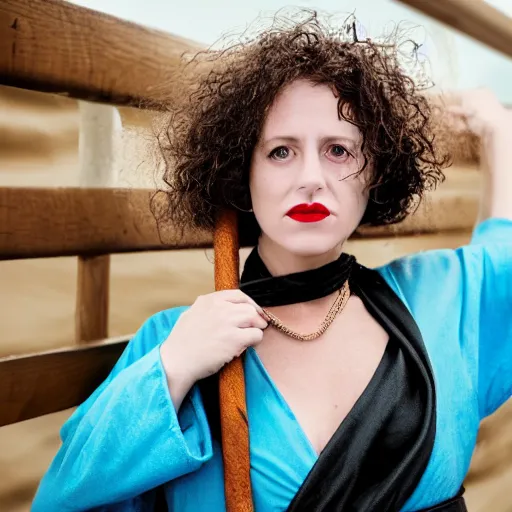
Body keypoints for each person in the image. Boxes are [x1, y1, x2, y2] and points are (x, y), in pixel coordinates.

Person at [32, 13, 511, 512]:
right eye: (281, 151)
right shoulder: (176, 339)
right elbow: (61, 498)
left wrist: (502, 134)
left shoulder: (443, 294)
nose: (311, 178)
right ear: (243, 172)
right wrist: (172, 371)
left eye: (339, 151)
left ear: (377, 173)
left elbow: (503, 249)